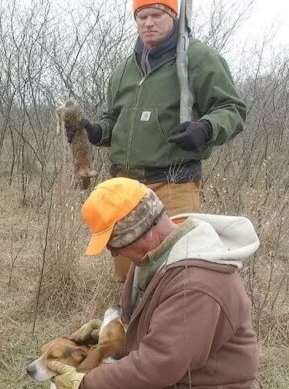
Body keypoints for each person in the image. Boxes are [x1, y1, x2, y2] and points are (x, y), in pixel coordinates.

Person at [47, 177, 289, 389]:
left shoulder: (196, 284)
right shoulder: (157, 255)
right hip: (168, 385)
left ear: (135, 233)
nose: (110, 253)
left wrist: (85, 381)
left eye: (112, 244)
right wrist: (110, 329)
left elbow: (158, 365)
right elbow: (152, 327)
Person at [66, 0, 246, 282]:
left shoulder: (198, 58)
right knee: (129, 277)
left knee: (177, 271)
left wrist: (206, 128)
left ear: (173, 16)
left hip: (173, 182)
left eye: (156, 15)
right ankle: (132, 324)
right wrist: (94, 131)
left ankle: (176, 325)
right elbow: (113, 119)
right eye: (141, 16)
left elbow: (232, 109)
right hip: (125, 188)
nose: (148, 23)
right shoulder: (125, 68)